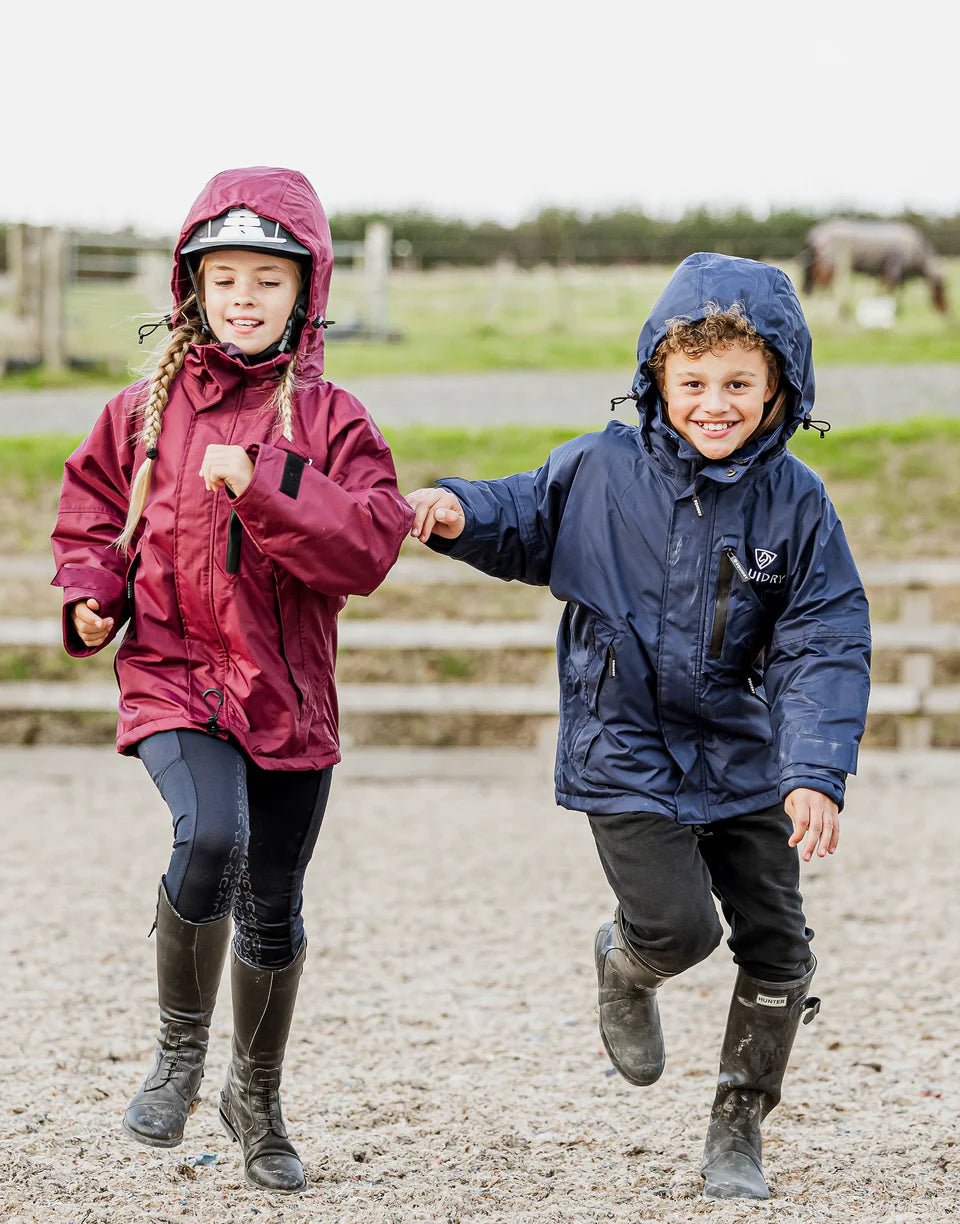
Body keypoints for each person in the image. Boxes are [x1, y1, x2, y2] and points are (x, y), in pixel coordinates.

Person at [405, 252, 871, 1201]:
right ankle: (626, 962)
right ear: (657, 378)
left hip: (743, 753)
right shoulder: (599, 468)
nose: (714, 403)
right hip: (622, 745)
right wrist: (456, 510)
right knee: (680, 930)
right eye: (693, 381)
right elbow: (519, 514)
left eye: (738, 383)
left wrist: (813, 769)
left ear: (779, 386)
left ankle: (738, 1124)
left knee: (780, 945)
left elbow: (823, 641)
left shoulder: (798, 502)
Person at [51, 167, 413, 1194]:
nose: (244, 298)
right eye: (224, 280)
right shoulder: (139, 413)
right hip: (174, 676)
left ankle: (256, 1097)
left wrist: (269, 486)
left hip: (288, 697)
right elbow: (91, 519)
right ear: (192, 288)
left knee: (275, 907)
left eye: (267, 280)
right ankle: (178, 1055)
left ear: (307, 291)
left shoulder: (334, 421)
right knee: (211, 836)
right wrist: (90, 595)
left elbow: (366, 548)